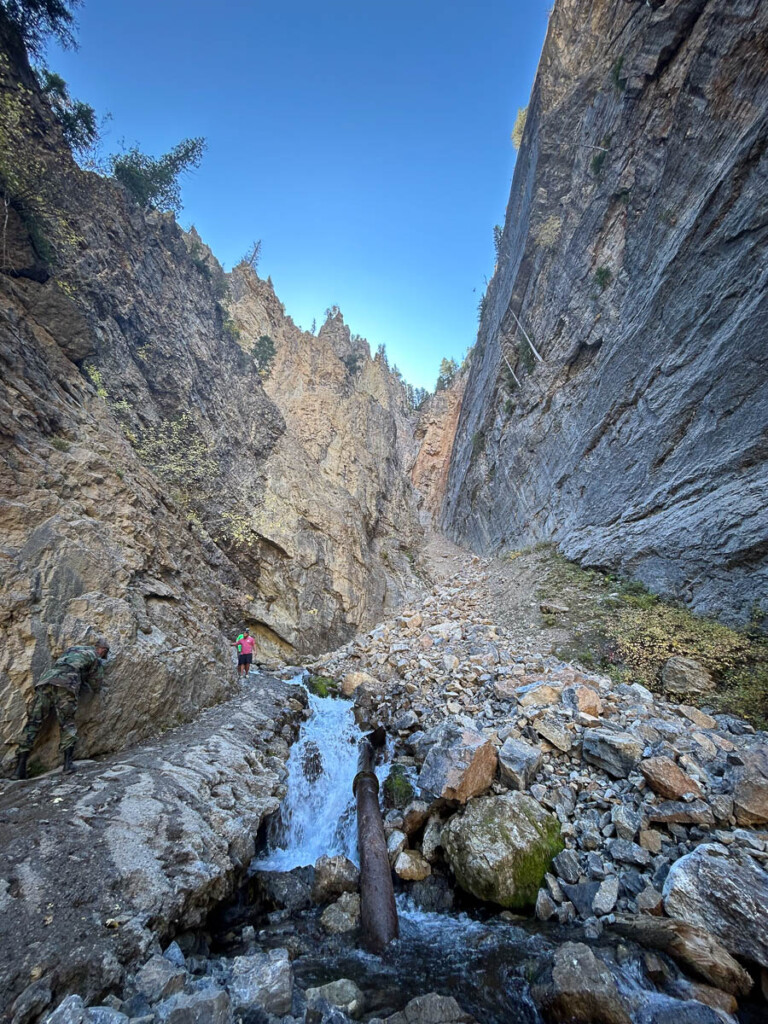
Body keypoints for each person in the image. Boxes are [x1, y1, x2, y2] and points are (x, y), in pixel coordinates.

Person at [15, 639, 110, 779]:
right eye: (104, 653)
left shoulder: (74, 649)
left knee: (33, 722)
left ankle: (19, 770)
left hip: (46, 681)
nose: (102, 655)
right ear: (102, 650)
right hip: (66, 683)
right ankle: (67, 765)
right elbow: (96, 682)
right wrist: (94, 690)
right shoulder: (95, 657)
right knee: (67, 723)